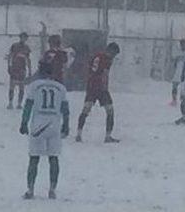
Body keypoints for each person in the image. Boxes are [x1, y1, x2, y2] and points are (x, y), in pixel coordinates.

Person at [19, 61, 69, 200]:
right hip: (54, 124)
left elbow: (28, 106)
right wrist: (66, 125)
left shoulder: (34, 86)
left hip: (38, 125)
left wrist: (24, 123)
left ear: (40, 71)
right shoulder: (61, 88)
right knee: (53, 157)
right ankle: (52, 189)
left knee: (34, 158)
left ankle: (30, 190)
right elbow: (65, 109)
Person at [75, 42, 120, 143]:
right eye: (114, 53)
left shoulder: (104, 58)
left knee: (107, 110)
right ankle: (79, 134)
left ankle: (80, 134)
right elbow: (95, 71)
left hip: (98, 88)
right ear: (110, 50)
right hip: (96, 88)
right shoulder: (101, 58)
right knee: (90, 110)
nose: (114, 56)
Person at [7, 32, 32, 109]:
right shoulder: (15, 46)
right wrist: (9, 66)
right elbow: (10, 56)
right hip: (15, 68)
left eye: (25, 38)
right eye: (22, 37)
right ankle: (10, 102)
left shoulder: (27, 48)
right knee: (12, 86)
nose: (23, 39)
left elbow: (28, 59)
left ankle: (19, 103)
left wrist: (30, 69)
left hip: (22, 69)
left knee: (21, 87)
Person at [170, 40, 185, 106]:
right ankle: (174, 100)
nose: (183, 46)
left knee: (184, 87)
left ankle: (183, 99)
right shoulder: (178, 52)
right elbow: (174, 62)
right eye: (182, 44)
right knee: (174, 85)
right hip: (178, 71)